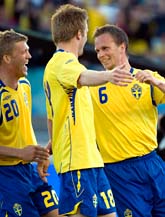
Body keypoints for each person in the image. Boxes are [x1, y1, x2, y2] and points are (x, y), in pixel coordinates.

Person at [42, 4, 133, 217]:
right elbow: (85, 77)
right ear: (79, 34)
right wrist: (109, 76)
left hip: (91, 160)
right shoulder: (63, 62)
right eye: (85, 34)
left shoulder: (62, 65)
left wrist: (52, 145)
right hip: (78, 163)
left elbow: (52, 116)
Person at [90, 24, 165, 217]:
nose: (100, 54)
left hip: (153, 163)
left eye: (105, 48)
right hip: (119, 172)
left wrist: (158, 83)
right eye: (97, 50)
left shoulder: (147, 79)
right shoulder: (92, 86)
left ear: (122, 47)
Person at [0, 29, 60, 217]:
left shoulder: (25, 85)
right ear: (7, 58)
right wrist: (19, 152)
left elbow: (23, 127)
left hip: (31, 171)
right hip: (7, 175)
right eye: (24, 52)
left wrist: (39, 154)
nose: (30, 56)